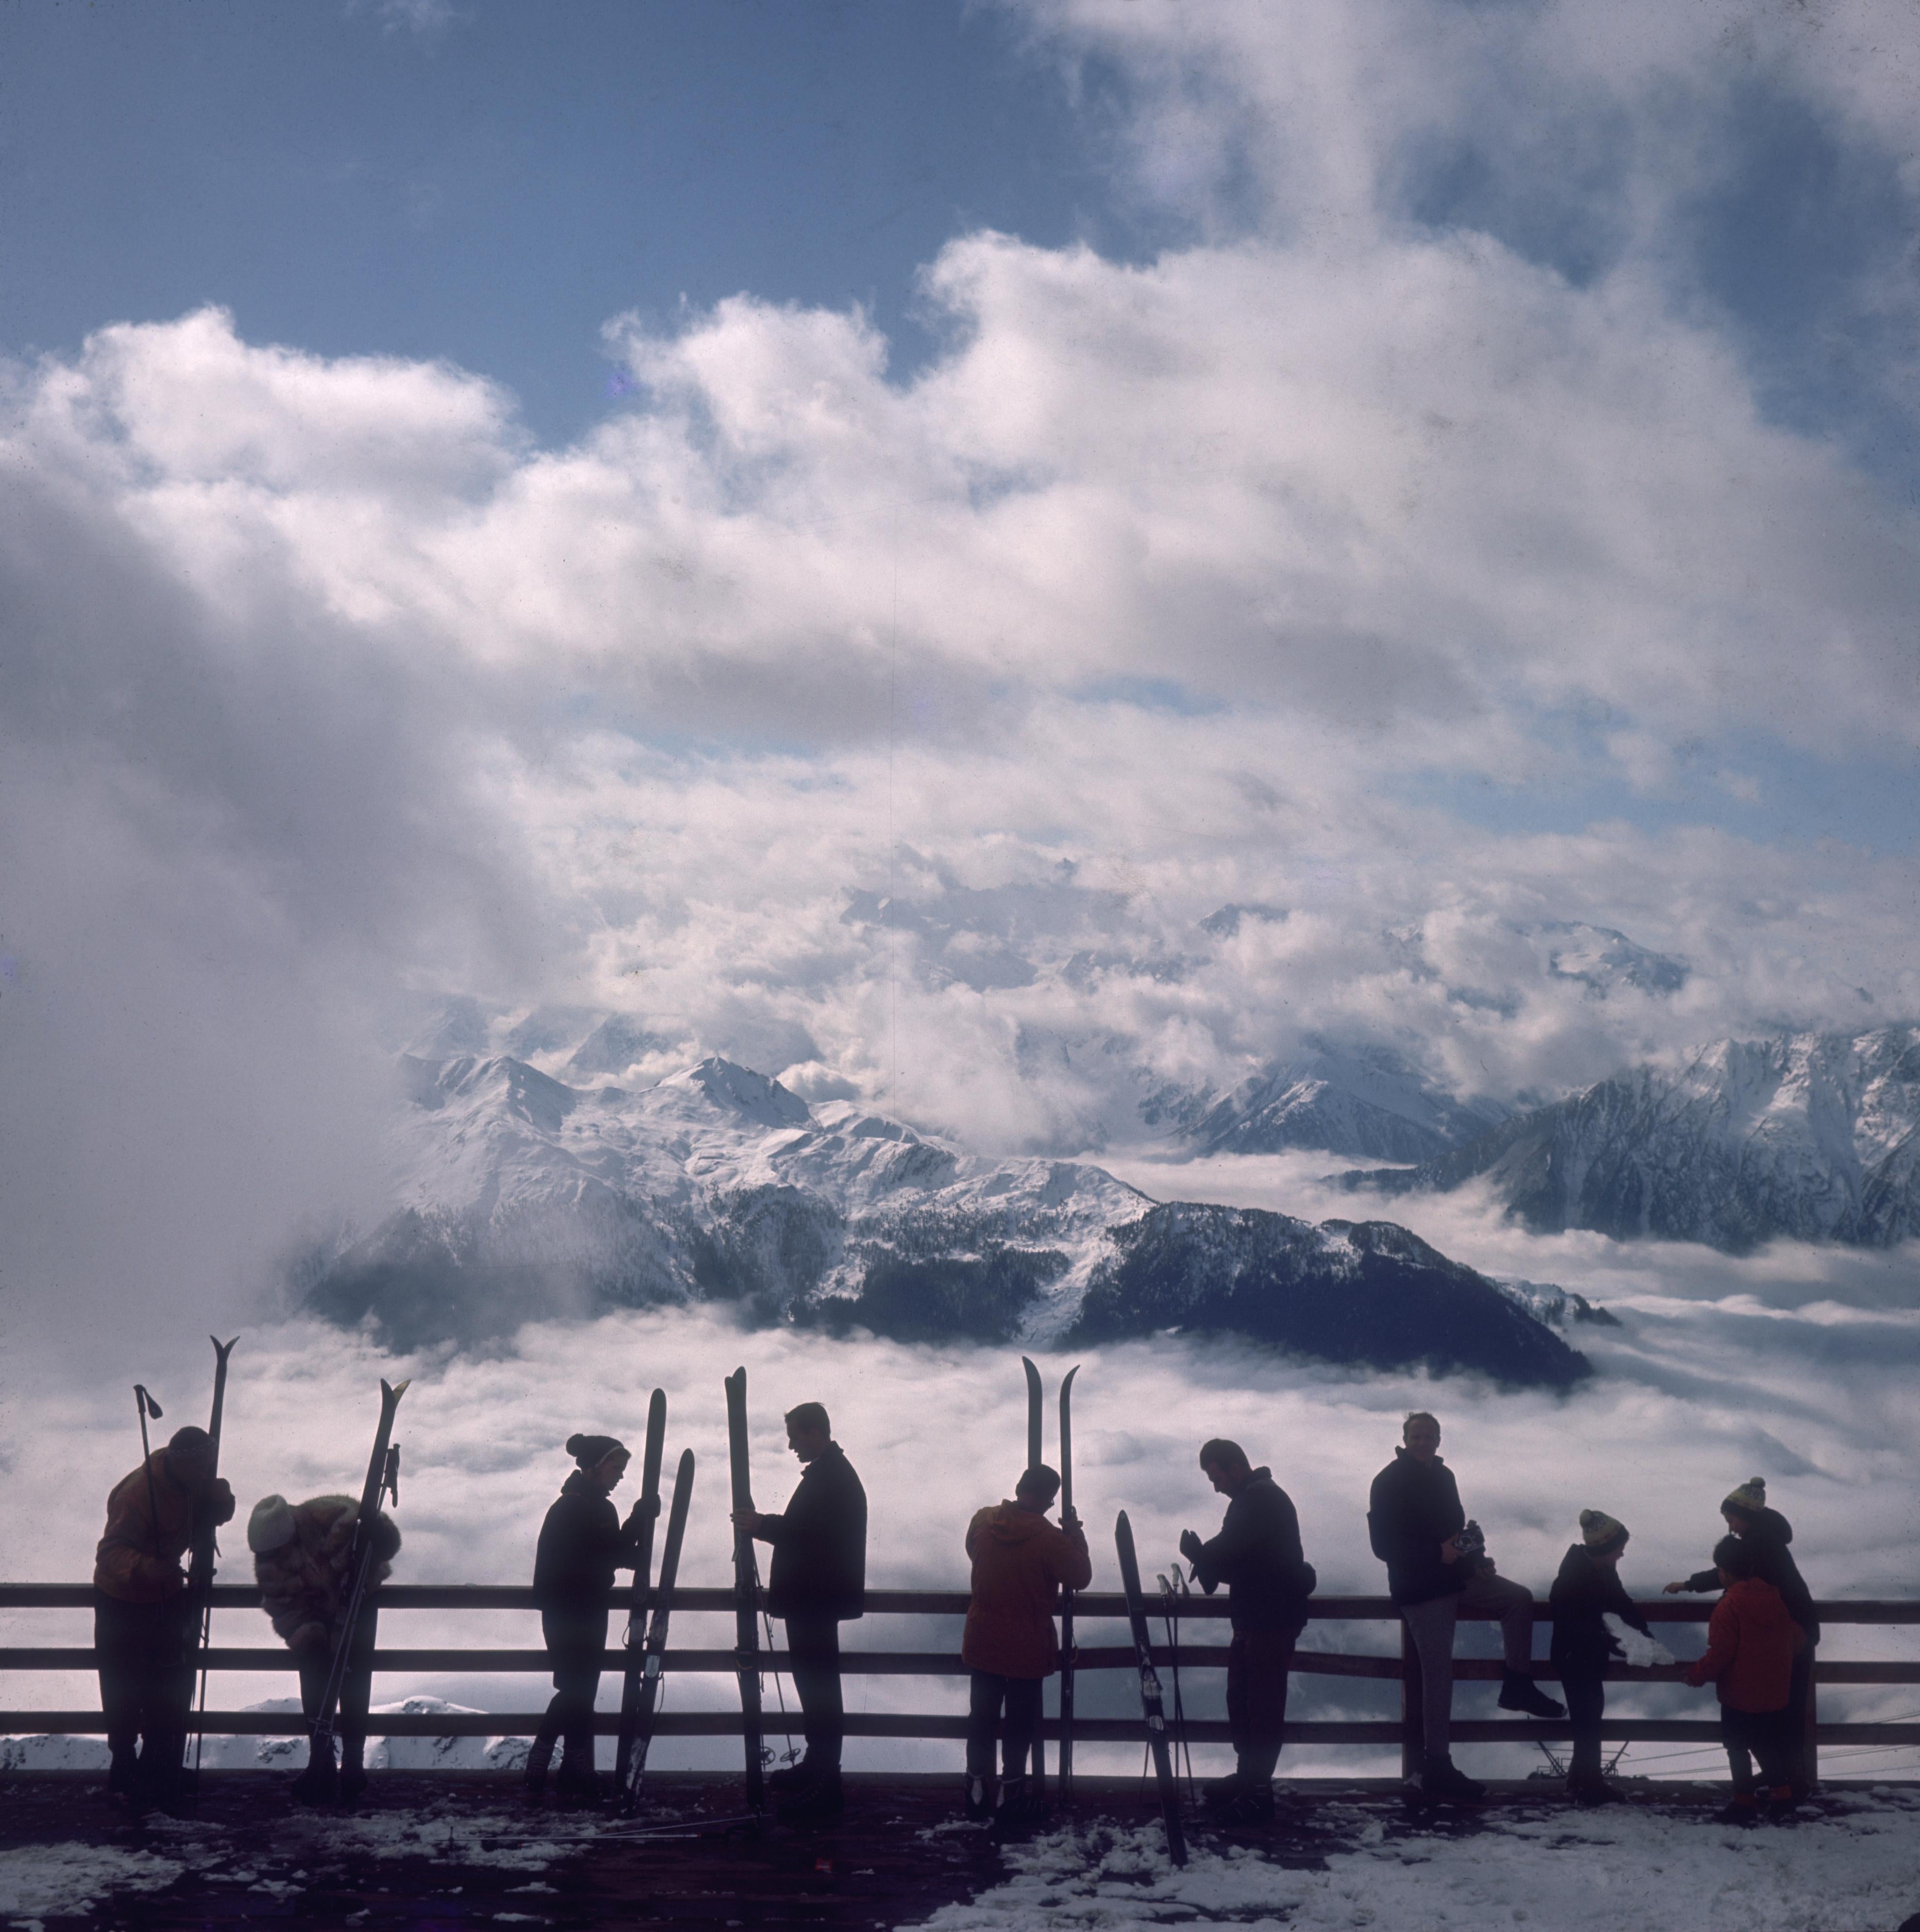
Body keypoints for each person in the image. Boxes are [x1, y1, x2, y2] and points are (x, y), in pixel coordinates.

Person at [1366, 1411, 1564, 1802]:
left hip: (1457, 1577)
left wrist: (1477, 1558)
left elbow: (1457, 1530)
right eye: (1417, 1436)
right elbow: (1382, 1546)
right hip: (1422, 1588)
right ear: (1404, 1439)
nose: (1423, 1442)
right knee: (1439, 1673)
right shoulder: (1387, 1481)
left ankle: (1518, 1685)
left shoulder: (1445, 1476)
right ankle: (1437, 1764)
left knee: (1518, 1598)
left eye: (1430, 1436)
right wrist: (1433, 1552)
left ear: (1439, 1440)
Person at [735, 1401, 867, 1824]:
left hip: (815, 1600)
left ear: (815, 1433)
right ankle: (818, 1767)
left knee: (820, 1687)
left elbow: (813, 1535)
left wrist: (762, 1525)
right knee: (815, 1684)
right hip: (817, 1600)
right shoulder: (832, 1474)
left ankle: (828, 1786)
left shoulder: (831, 1478)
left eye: (795, 1435)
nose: (791, 1444)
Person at [93, 1424, 236, 1810]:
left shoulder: (194, 1480)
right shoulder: (138, 1494)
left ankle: (158, 1771)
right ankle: (125, 1769)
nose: (207, 1473)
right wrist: (145, 1566)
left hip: (166, 1594)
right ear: (183, 1464)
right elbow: (109, 1553)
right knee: (124, 1687)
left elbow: (216, 1506)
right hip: (121, 1597)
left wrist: (222, 1503)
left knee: (168, 1685)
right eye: (203, 1468)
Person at [1177, 1438, 1316, 1824]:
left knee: (1261, 1703)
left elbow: (1230, 1552)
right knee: (1245, 1698)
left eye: (1215, 1476)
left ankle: (1258, 1790)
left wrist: (1200, 1555)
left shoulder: (1258, 1501)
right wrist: (1206, 1557)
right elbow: (1243, 1559)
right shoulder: (1257, 1497)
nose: (1215, 1485)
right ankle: (1249, 1779)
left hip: (1268, 1619)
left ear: (1234, 1468)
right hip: (1258, 1617)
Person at [1665, 1477, 1817, 1797]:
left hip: (1790, 1637)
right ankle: (1787, 1783)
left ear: (1746, 1515)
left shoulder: (1758, 1545)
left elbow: (1730, 1571)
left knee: (1774, 1717)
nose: (1731, 1527)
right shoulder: (1765, 1539)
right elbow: (1731, 1571)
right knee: (1780, 1713)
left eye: (1732, 1520)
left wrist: (1689, 1584)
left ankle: (1784, 1784)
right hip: (1792, 1633)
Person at [527, 1432, 657, 1803]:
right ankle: (551, 1762)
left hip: (578, 1608)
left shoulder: (588, 1505)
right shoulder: (576, 1507)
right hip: (573, 1610)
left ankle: (570, 1768)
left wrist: (637, 1523)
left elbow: (612, 1552)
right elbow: (611, 1552)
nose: (619, 1475)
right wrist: (639, 1519)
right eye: (616, 1467)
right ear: (597, 1465)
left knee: (579, 1689)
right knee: (577, 1689)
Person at [960, 1463, 1091, 1833]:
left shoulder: (983, 1520)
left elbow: (975, 1552)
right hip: (1026, 1644)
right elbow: (1080, 1576)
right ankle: (1011, 1794)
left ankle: (974, 1789)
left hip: (983, 1637)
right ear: (1050, 1501)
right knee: (1019, 1724)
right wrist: (1074, 1537)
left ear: (1018, 1486)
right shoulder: (1050, 1538)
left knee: (981, 1717)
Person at [248, 1490, 401, 1804]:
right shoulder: (270, 1554)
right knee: (315, 1676)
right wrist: (310, 1637)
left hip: (360, 1598)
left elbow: (387, 1542)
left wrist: (378, 1533)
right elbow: (283, 1606)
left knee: (355, 1676)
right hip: (313, 1612)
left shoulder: (331, 1516)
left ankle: (353, 1763)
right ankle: (322, 1760)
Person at [1683, 1533, 1805, 1825]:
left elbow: (1720, 1653)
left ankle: (1744, 1805)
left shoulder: (1728, 1607)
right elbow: (1797, 1638)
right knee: (1766, 1745)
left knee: (1737, 1747)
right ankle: (1783, 1800)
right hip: (1773, 1693)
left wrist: (1696, 1676)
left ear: (1724, 1572)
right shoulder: (1774, 1598)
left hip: (1739, 1695)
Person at [1548, 1509, 1653, 1805]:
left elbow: (1620, 1601)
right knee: (1588, 1718)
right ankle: (1589, 1784)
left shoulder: (1601, 1570)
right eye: (1619, 1548)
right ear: (1605, 1548)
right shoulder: (1572, 1580)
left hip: (1586, 1657)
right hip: (1574, 1658)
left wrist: (1642, 1632)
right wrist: (1617, 1643)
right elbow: (1579, 1627)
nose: (1622, 1553)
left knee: (1589, 1717)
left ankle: (1580, 1779)